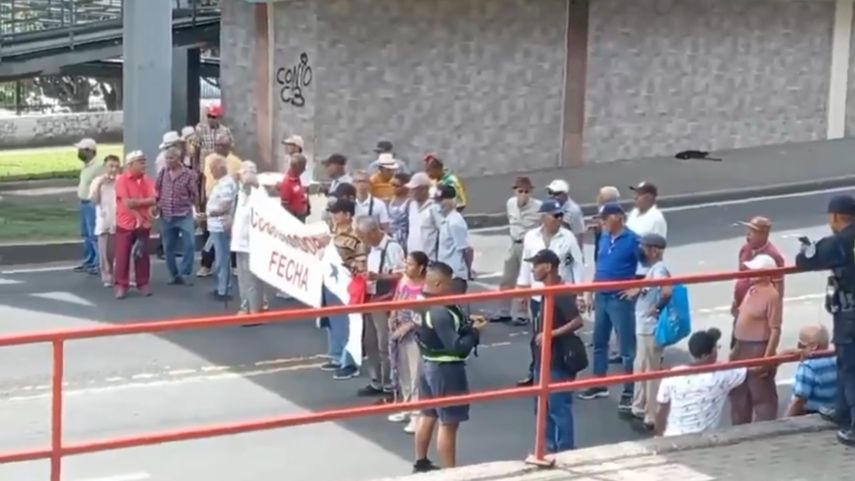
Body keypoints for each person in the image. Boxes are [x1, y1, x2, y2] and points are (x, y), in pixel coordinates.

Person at [413, 262, 486, 472]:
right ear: (437, 283)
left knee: (428, 414)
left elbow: (437, 329)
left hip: (426, 361)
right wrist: (475, 332)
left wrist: (465, 323)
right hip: (445, 368)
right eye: (448, 282)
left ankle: (421, 461)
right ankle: (450, 472)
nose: (452, 286)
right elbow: (458, 349)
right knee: (449, 422)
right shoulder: (440, 311)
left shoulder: (421, 301)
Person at [795, 194, 855, 445]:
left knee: (850, 367)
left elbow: (805, 260)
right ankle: (842, 410)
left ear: (836, 217)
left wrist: (806, 248)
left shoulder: (839, 242)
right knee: (845, 364)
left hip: (849, 317)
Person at [516, 199, 584, 386]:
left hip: (559, 293)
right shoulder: (531, 236)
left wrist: (580, 293)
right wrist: (523, 289)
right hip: (538, 294)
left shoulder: (568, 237)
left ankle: (562, 370)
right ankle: (537, 371)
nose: (559, 219)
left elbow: (577, 264)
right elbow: (526, 264)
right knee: (538, 335)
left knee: (560, 335)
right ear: (543, 217)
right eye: (555, 216)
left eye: (561, 215)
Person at [579, 203, 640, 411]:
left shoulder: (633, 240)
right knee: (599, 342)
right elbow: (600, 266)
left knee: (626, 348)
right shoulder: (604, 237)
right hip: (602, 296)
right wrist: (590, 291)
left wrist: (638, 287)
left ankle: (629, 392)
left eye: (605, 218)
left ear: (618, 218)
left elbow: (648, 265)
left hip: (619, 299)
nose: (602, 222)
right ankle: (599, 383)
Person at [527, 249, 585, 452]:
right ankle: (549, 446)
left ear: (548, 267)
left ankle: (564, 448)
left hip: (557, 360)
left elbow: (577, 321)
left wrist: (550, 334)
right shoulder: (547, 292)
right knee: (543, 407)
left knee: (558, 408)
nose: (532, 270)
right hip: (543, 359)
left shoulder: (559, 292)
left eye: (535, 265)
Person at [620, 233, 672, 431]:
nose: (640, 251)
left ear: (654, 250)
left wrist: (656, 308)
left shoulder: (659, 269)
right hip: (643, 328)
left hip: (650, 329)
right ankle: (640, 407)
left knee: (650, 372)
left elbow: (666, 291)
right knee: (641, 368)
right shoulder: (653, 269)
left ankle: (651, 415)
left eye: (644, 247)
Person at [654, 328, 747, 437]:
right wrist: (738, 344)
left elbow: (661, 411)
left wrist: (659, 436)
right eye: (716, 348)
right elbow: (747, 368)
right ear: (707, 355)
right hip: (705, 438)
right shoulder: (722, 375)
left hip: (673, 436)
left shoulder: (672, 375)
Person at [355, 215, 406, 397]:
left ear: (372, 232)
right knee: (370, 342)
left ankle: (390, 382)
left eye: (363, 236)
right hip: (371, 298)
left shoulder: (392, 248)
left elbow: (402, 274)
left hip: (385, 300)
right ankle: (376, 380)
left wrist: (379, 277)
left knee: (384, 343)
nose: (362, 240)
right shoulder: (372, 249)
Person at [729, 253, 782, 425]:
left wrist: (767, 358)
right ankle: (741, 430)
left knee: (761, 393)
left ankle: (765, 430)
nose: (750, 272)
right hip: (742, 347)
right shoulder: (751, 290)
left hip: (757, 348)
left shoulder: (772, 295)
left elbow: (775, 329)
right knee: (739, 394)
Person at [323, 198, 367, 380]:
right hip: (330, 283)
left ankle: (349, 362)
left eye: (337, 212)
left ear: (348, 215)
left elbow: (361, 263)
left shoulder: (357, 237)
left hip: (346, 285)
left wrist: (350, 269)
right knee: (333, 322)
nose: (334, 215)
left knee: (349, 325)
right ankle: (337, 355)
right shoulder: (333, 233)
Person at [387, 251, 430, 434]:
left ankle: (416, 415)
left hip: (415, 335)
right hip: (399, 331)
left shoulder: (426, 287)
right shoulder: (404, 280)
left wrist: (407, 326)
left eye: (411, 264)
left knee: (415, 375)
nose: (407, 267)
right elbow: (397, 297)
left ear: (421, 268)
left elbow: (423, 313)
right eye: (406, 263)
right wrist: (392, 315)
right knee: (402, 371)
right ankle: (406, 406)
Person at [493, 176, 542, 324]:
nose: (523, 195)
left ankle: (522, 314)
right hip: (514, 243)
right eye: (520, 191)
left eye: (527, 192)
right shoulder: (510, 204)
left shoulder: (538, 207)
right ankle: (504, 311)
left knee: (524, 280)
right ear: (515, 191)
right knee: (507, 278)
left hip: (529, 245)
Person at [731, 216, 785, 347]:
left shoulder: (774, 256)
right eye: (748, 231)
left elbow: (778, 291)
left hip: (758, 316)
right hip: (742, 306)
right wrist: (736, 301)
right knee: (737, 343)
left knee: (754, 349)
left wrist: (772, 319)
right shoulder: (745, 249)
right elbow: (740, 277)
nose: (748, 235)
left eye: (753, 232)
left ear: (764, 234)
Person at [114, 151, 156, 299]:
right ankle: (121, 285)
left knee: (142, 255)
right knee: (122, 255)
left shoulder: (148, 180)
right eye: (141, 162)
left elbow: (154, 199)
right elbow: (127, 203)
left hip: (143, 225)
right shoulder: (121, 181)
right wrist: (144, 204)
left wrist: (138, 203)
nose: (145, 165)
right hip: (125, 224)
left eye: (144, 162)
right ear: (130, 165)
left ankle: (143, 283)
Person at [199, 134, 242, 276]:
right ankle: (207, 265)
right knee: (210, 235)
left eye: (221, 145)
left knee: (226, 236)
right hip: (210, 200)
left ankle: (232, 266)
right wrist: (202, 198)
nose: (218, 148)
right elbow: (204, 178)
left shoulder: (236, 162)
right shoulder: (209, 159)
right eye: (216, 145)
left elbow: (239, 183)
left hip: (227, 204)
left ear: (228, 147)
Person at [156, 145, 198, 286]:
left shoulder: (189, 174)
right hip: (167, 215)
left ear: (178, 159)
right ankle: (173, 275)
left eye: (171, 158)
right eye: (167, 158)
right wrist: (157, 204)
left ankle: (185, 273)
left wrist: (190, 205)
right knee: (168, 247)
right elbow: (157, 189)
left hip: (184, 214)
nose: (168, 161)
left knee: (190, 244)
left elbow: (194, 194)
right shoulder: (163, 173)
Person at [231, 161, 265, 317]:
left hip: (251, 243)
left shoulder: (257, 194)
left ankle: (254, 311)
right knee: (243, 279)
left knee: (252, 280)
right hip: (240, 242)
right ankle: (246, 306)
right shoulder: (242, 192)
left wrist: (249, 178)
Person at [206, 154, 238, 301]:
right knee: (221, 257)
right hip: (216, 225)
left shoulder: (226, 184)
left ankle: (224, 289)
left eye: (212, 169)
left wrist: (213, 212)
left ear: (219, 169)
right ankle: (222, 286)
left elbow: (225, 203)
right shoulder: (223, 182)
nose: (211, 172)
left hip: (220, 225)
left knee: (222, 258)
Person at [786, 324, 837, 417]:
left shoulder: (808, 367)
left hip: (811, 413)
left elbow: (799, 400)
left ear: (813, 346)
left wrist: (787, 418)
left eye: (801, 345)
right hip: (832, 411)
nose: (798, 350)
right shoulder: (835, 360)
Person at [89, 155, 121, 287]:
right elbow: (94, 200)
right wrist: (100, 184)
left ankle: (120, 275)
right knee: (105, 252)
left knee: (117, 250)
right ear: (105, 167)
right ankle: (107, 276)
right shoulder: (97, 181)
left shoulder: (121, 181)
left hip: (118, 219)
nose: (113, 169)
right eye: (111, 166)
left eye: (116, 166)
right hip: (104, 220)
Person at [434, 185, 473, 294]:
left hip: (455, 276)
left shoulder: (455, 222)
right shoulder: (446, 220)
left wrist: (468, 270)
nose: (439, 204)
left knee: (454, 304)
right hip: (444, 275)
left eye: (442, 200)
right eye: (437, 200)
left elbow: (467, 249)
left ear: (452, 200)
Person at [73, 138, 104, 275]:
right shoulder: (86, 166)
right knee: (86, 234)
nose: (79, 153)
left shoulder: (99, 166)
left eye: (82, 150)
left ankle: (98, 263)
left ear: (90, 151)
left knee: (94, 235)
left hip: (92, 204)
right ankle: (89, 260)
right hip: (84, 203)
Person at [405, 172, 439, 257]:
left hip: (429, 257)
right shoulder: (411, 206)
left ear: (424, 189)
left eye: (414, 189)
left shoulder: (434, 207)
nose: (411, 192)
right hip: (412, 257)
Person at [545, 179, 585, 249]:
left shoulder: (573, 210)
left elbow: (579, 234)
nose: (552, 196)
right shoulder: (551, 207)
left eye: (556, 194)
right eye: (550, 192)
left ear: (565, 195)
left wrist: (578, 253)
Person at [279, 153, 310, 222]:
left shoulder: (297, 178)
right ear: (297, 167)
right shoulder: (287, 182)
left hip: (300, 217)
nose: (304, 170)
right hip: (294, 219)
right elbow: (285, 207)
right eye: (303, 167)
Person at [388, 172, 412, 248]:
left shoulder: (410, 202)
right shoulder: (391, 199)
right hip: (391, 237)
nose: (393, 187)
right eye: (392, 185)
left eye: (397, 186)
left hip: (404, 238)